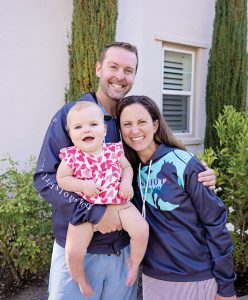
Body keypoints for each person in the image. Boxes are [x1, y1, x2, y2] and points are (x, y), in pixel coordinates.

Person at [34, 42, 216, 300]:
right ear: (99, 69)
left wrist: (196, 173)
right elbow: (45, 178)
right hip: (79, 249)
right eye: (113, 67)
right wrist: (95, 213)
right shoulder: (72, 117)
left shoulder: (130, 119)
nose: (120, 76)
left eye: (128, 70)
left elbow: (154, 160)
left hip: (123, 251)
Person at [116, 95, 237, 300]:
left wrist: (226, 286)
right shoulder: (129, 173)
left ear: (155, 125)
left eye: (141, 122)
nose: (134, 130)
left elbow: (215, 223)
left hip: (192, 275)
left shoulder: (184, 163)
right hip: (153, 276)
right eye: (127, 124)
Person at [56, 101, 149, 296]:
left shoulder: (113, 151)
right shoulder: (72, 156)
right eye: (78, 127)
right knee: (73, 252)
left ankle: (133, 264)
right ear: (70, 134)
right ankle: (80, 278)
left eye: (93, 124)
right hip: (87, 209)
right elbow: (62, 179)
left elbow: (126, 168)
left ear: (104, 129)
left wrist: (125, 184)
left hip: (119, 202)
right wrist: (82, 185)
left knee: (141, 230)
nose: (86, 130)